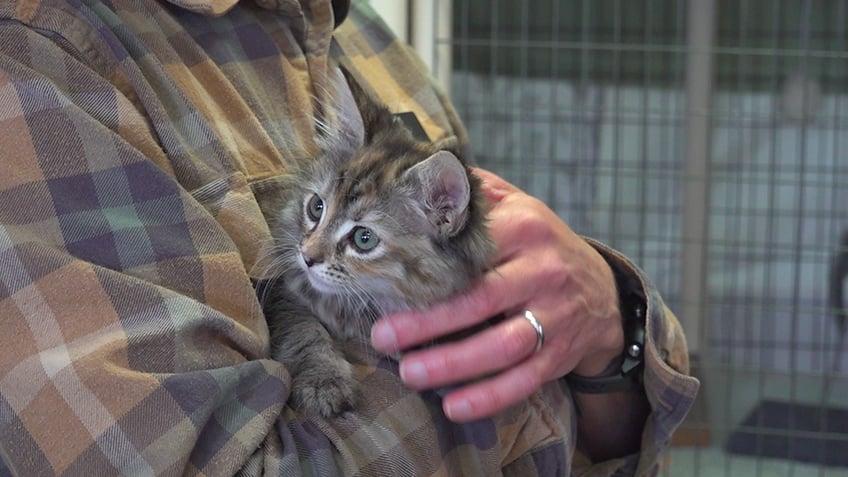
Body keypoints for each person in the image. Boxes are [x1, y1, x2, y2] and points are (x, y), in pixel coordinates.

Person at [0, 0, 698, 475]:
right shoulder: (41, 56)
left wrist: (612, 320)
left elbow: (616, 447)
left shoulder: (358, 33)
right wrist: (533, 388)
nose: (309, 251)